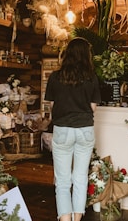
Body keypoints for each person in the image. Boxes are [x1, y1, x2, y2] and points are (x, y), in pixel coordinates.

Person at [44, 37, 101, 221]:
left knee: (62, 181)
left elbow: (52, 105)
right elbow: (93, 107)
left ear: (67, 54)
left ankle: (66, 219)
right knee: (80, 177)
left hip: (62, 130)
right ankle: (77, 218)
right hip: (84, 129)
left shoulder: (55, 77)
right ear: (86, 55)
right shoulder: (91, 78)